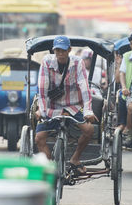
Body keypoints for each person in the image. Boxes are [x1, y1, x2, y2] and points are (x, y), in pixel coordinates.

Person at [35, 36, 98, 175]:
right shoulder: (46, 61)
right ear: (54, 51)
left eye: (63, 50)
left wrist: (88, 110)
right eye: (57, 50)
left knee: (89, 130)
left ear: (69, 50)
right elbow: (42, 89)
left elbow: (85, 87)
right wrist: (43, 111)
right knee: (39, 138)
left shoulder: (77, 62)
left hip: (73, 106)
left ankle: (75, 159)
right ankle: (51, 166)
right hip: (52, 107)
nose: (60, 54)